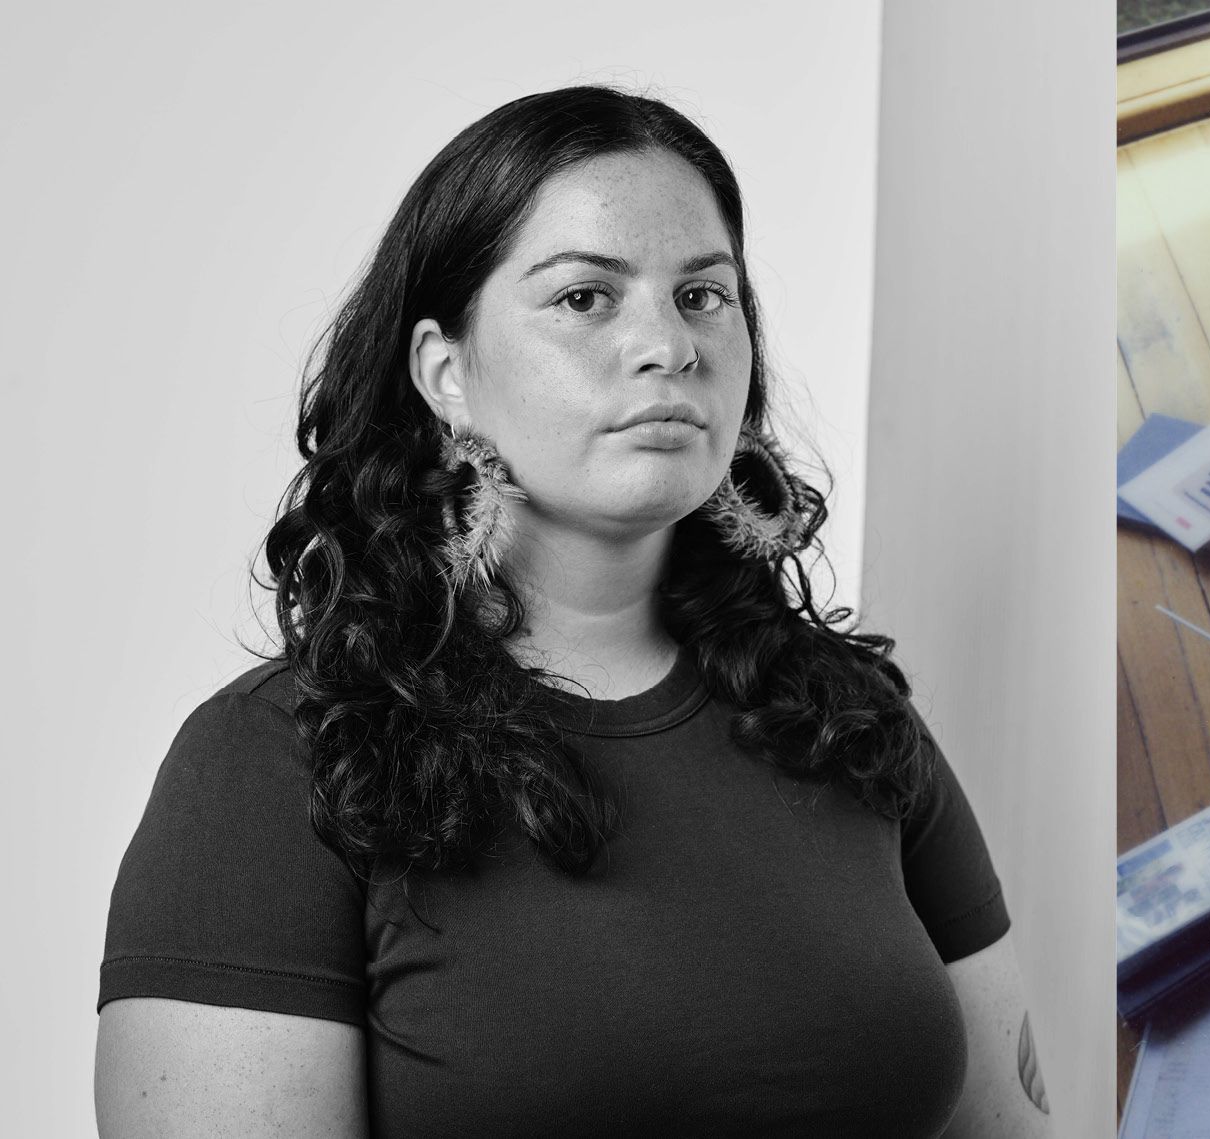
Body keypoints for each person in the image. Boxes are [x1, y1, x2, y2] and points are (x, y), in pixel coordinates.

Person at [95, 87, 1044, 1138]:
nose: (669, 346)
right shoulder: (271, 762)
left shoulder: (851, 721)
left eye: (704, 295)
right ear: (445, 372)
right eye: (586, 297)